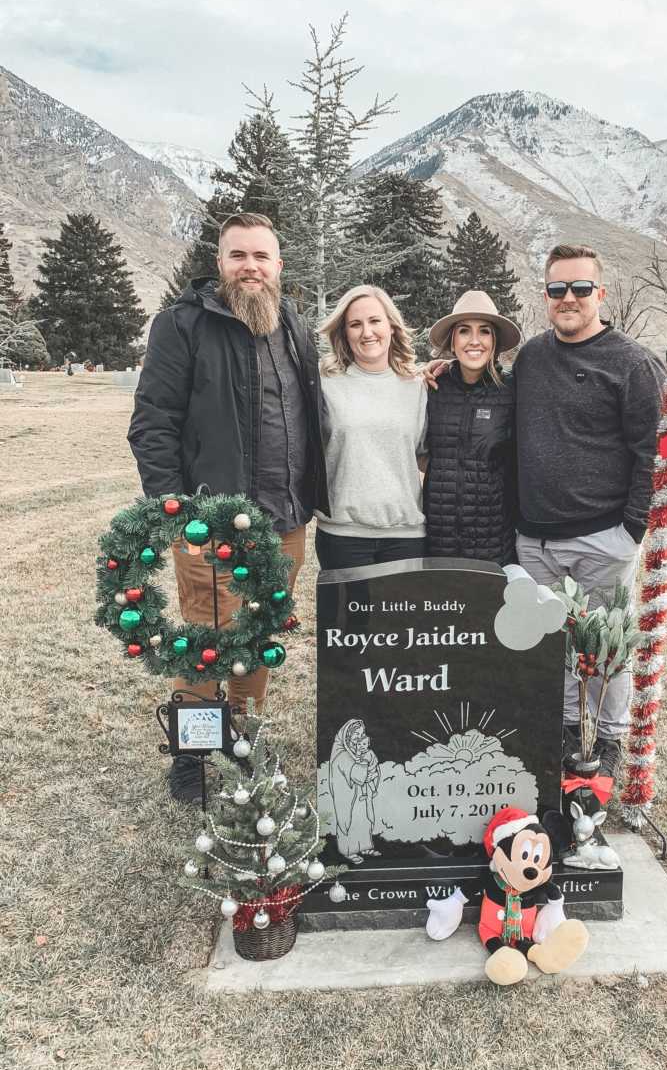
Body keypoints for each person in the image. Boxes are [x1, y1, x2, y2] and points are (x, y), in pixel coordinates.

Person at [128, 212, 329, 794]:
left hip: (285, 519)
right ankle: (193, 752)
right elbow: (153, 424)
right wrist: (176, 511)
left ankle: (244, 738)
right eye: (238, 255)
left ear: (278, 266)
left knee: (258, 633)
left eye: (261, 257)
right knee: (204, 636)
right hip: (209, 522)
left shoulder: (292, 324)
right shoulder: (182, 325)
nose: (250, 267)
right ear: (220, 264)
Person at [514, 244, 665, 780]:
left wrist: (631, 530)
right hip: (534, 537)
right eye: (558, 289)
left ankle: (606, 739)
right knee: (548, 643)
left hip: (603, 535)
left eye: (581, 288)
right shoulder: (531, 356)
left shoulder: (633, 363)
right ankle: (560, 730)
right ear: (547, 296)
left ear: (601, 293)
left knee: (603, 644)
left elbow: (654, 451)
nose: (569, 299)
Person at [315, 285, 427, 570]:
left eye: (375, 321)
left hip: (406, 535)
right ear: (344, 332)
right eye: (355, 324)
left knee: (402, 616)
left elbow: (426, 455)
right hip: (342, 535)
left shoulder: (418, 386)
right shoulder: (325, 383)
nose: (367, 332)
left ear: (391, 325)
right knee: (344, 617)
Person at [424, 290, 519, 565]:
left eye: (485, 332)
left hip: (493, 543)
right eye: (464, 331)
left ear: (495, 341)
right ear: (452, 341)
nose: (475, 341)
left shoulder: (512, 390)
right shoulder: (433, 387)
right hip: (437, 541)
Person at [327, 718, 381, 864]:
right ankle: (348, 851)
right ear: (347, 737)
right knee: (349, 822)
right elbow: (359, 774)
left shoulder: (357, 752)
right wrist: (368, 766)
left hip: (360, 795)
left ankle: (363, 846)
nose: (360, 738)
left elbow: (368, 771)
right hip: (348, 796)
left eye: (361, 734)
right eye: (356, 735)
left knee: (363, 819)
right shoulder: (343, 755)